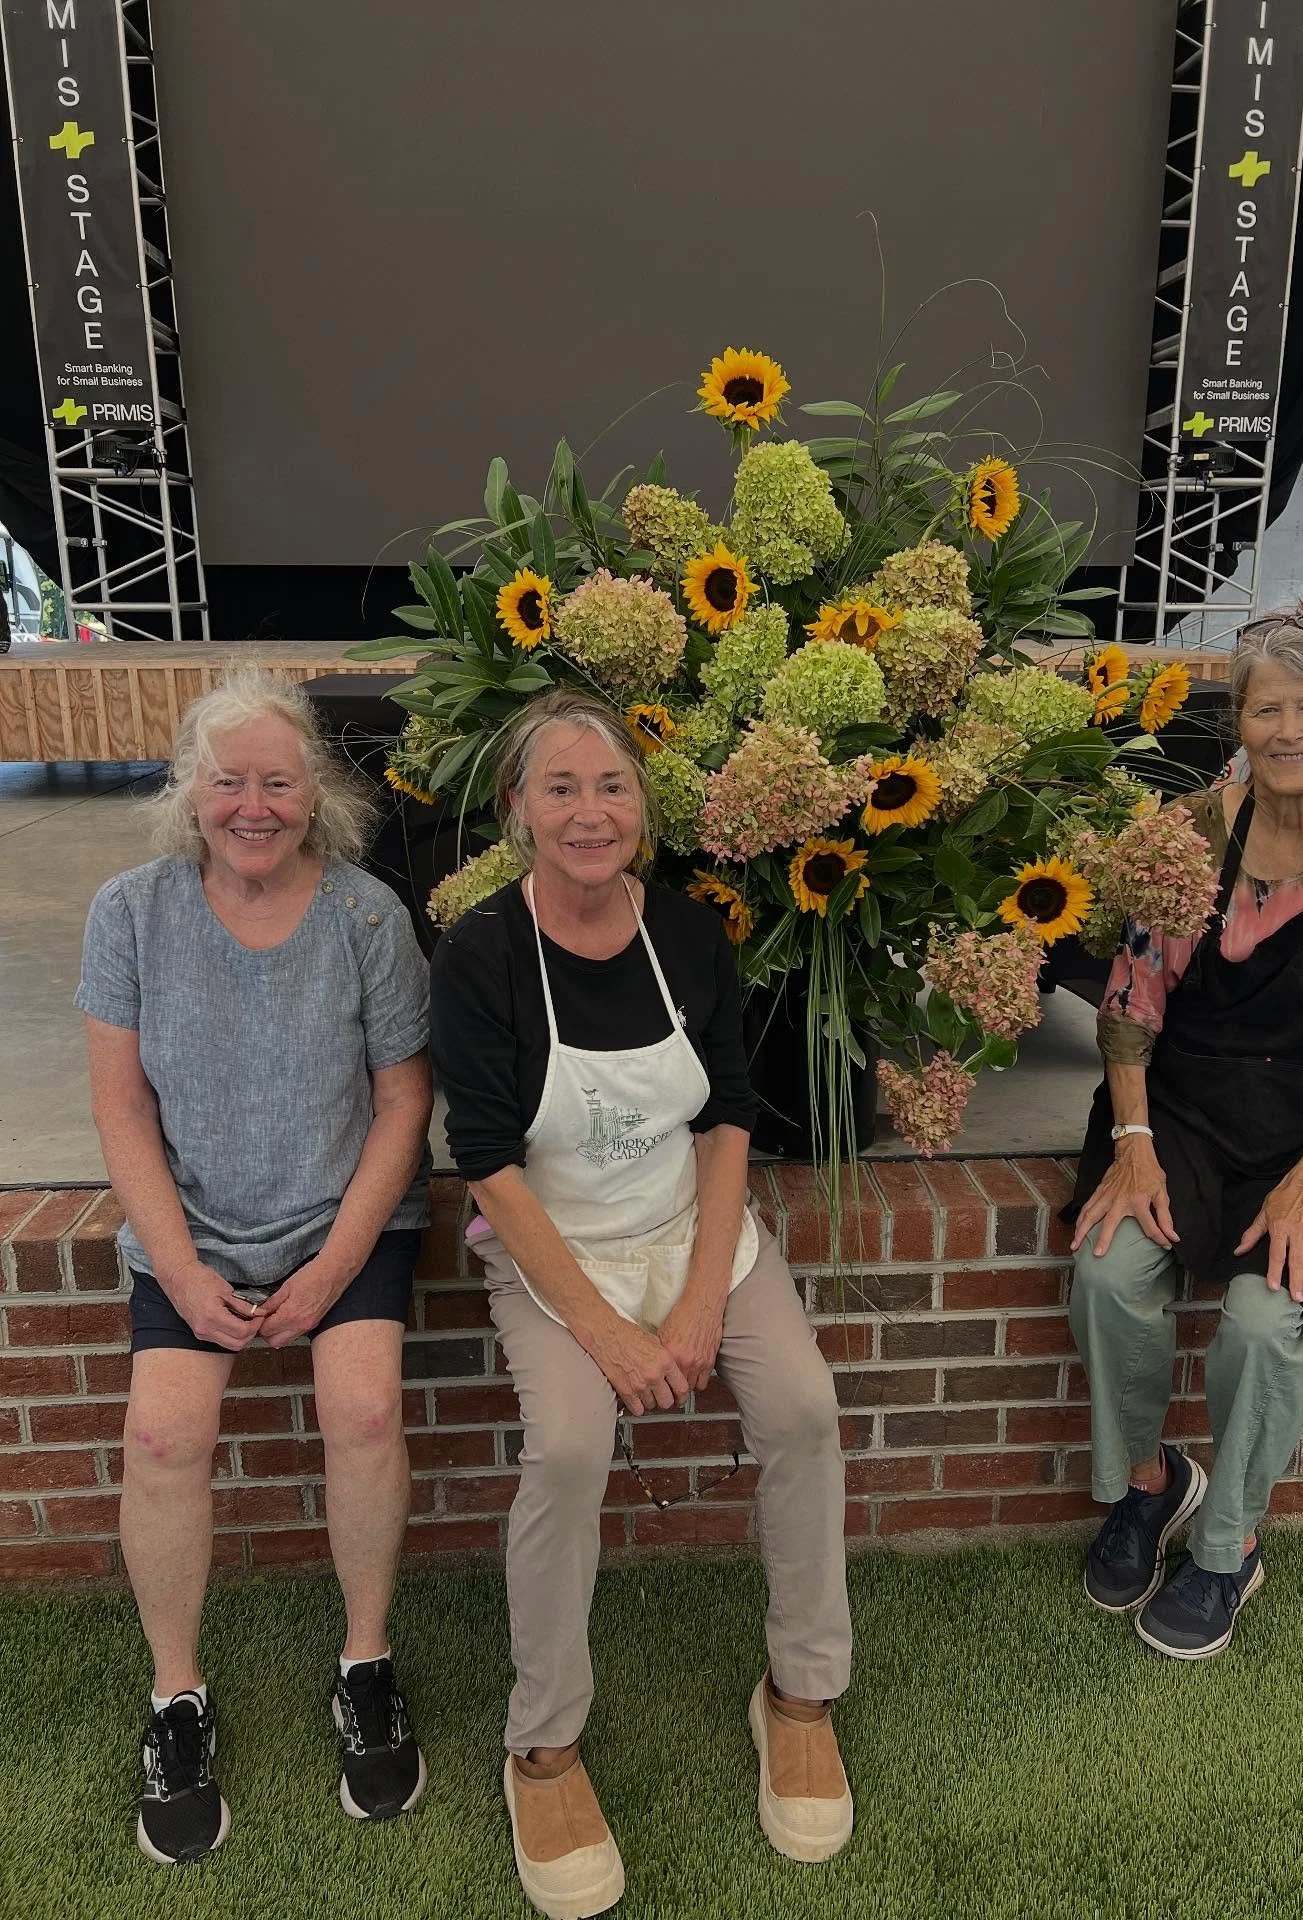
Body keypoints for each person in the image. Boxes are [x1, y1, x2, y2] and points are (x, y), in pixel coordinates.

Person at [430, 689, 853, 1920]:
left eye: (611, 787)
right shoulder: (483, 954)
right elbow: (489, 1163)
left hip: (692, 1231)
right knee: (566, 1447)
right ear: (517, 811)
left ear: (644, 810)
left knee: (808, 1414)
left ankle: (802, 1695)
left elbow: (728, 1114)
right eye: (559, 788)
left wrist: (701, 1307)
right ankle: (544, 1747)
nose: (589, 812)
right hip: (552, 1250)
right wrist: (611, 1335)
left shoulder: (687, 935)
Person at [76, 668, 434, 1862]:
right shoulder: (130, 913)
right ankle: (176, 1695)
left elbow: (403, 1101)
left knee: (366, 1406)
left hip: (350, 1224)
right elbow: (122, 1111)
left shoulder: (370, 916)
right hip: (195, 1234)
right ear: (191, 792)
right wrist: (177, 1272)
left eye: (279, 782)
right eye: (229, 781)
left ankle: (365, 1661)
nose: (254, 806)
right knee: (163, 1437)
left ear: (316, 793)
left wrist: (336, 1265)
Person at [1068, 606, 1303, 1659]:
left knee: (1266, 1324)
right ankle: (1150, 1483)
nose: (1287, 730)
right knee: (1107, 1269)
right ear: (1238, 720)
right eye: (1264, 707)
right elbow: (1130, 1005)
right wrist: (1131, 1140)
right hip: (1180, 1109)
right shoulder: (1186, 833)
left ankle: (1228, 1542)